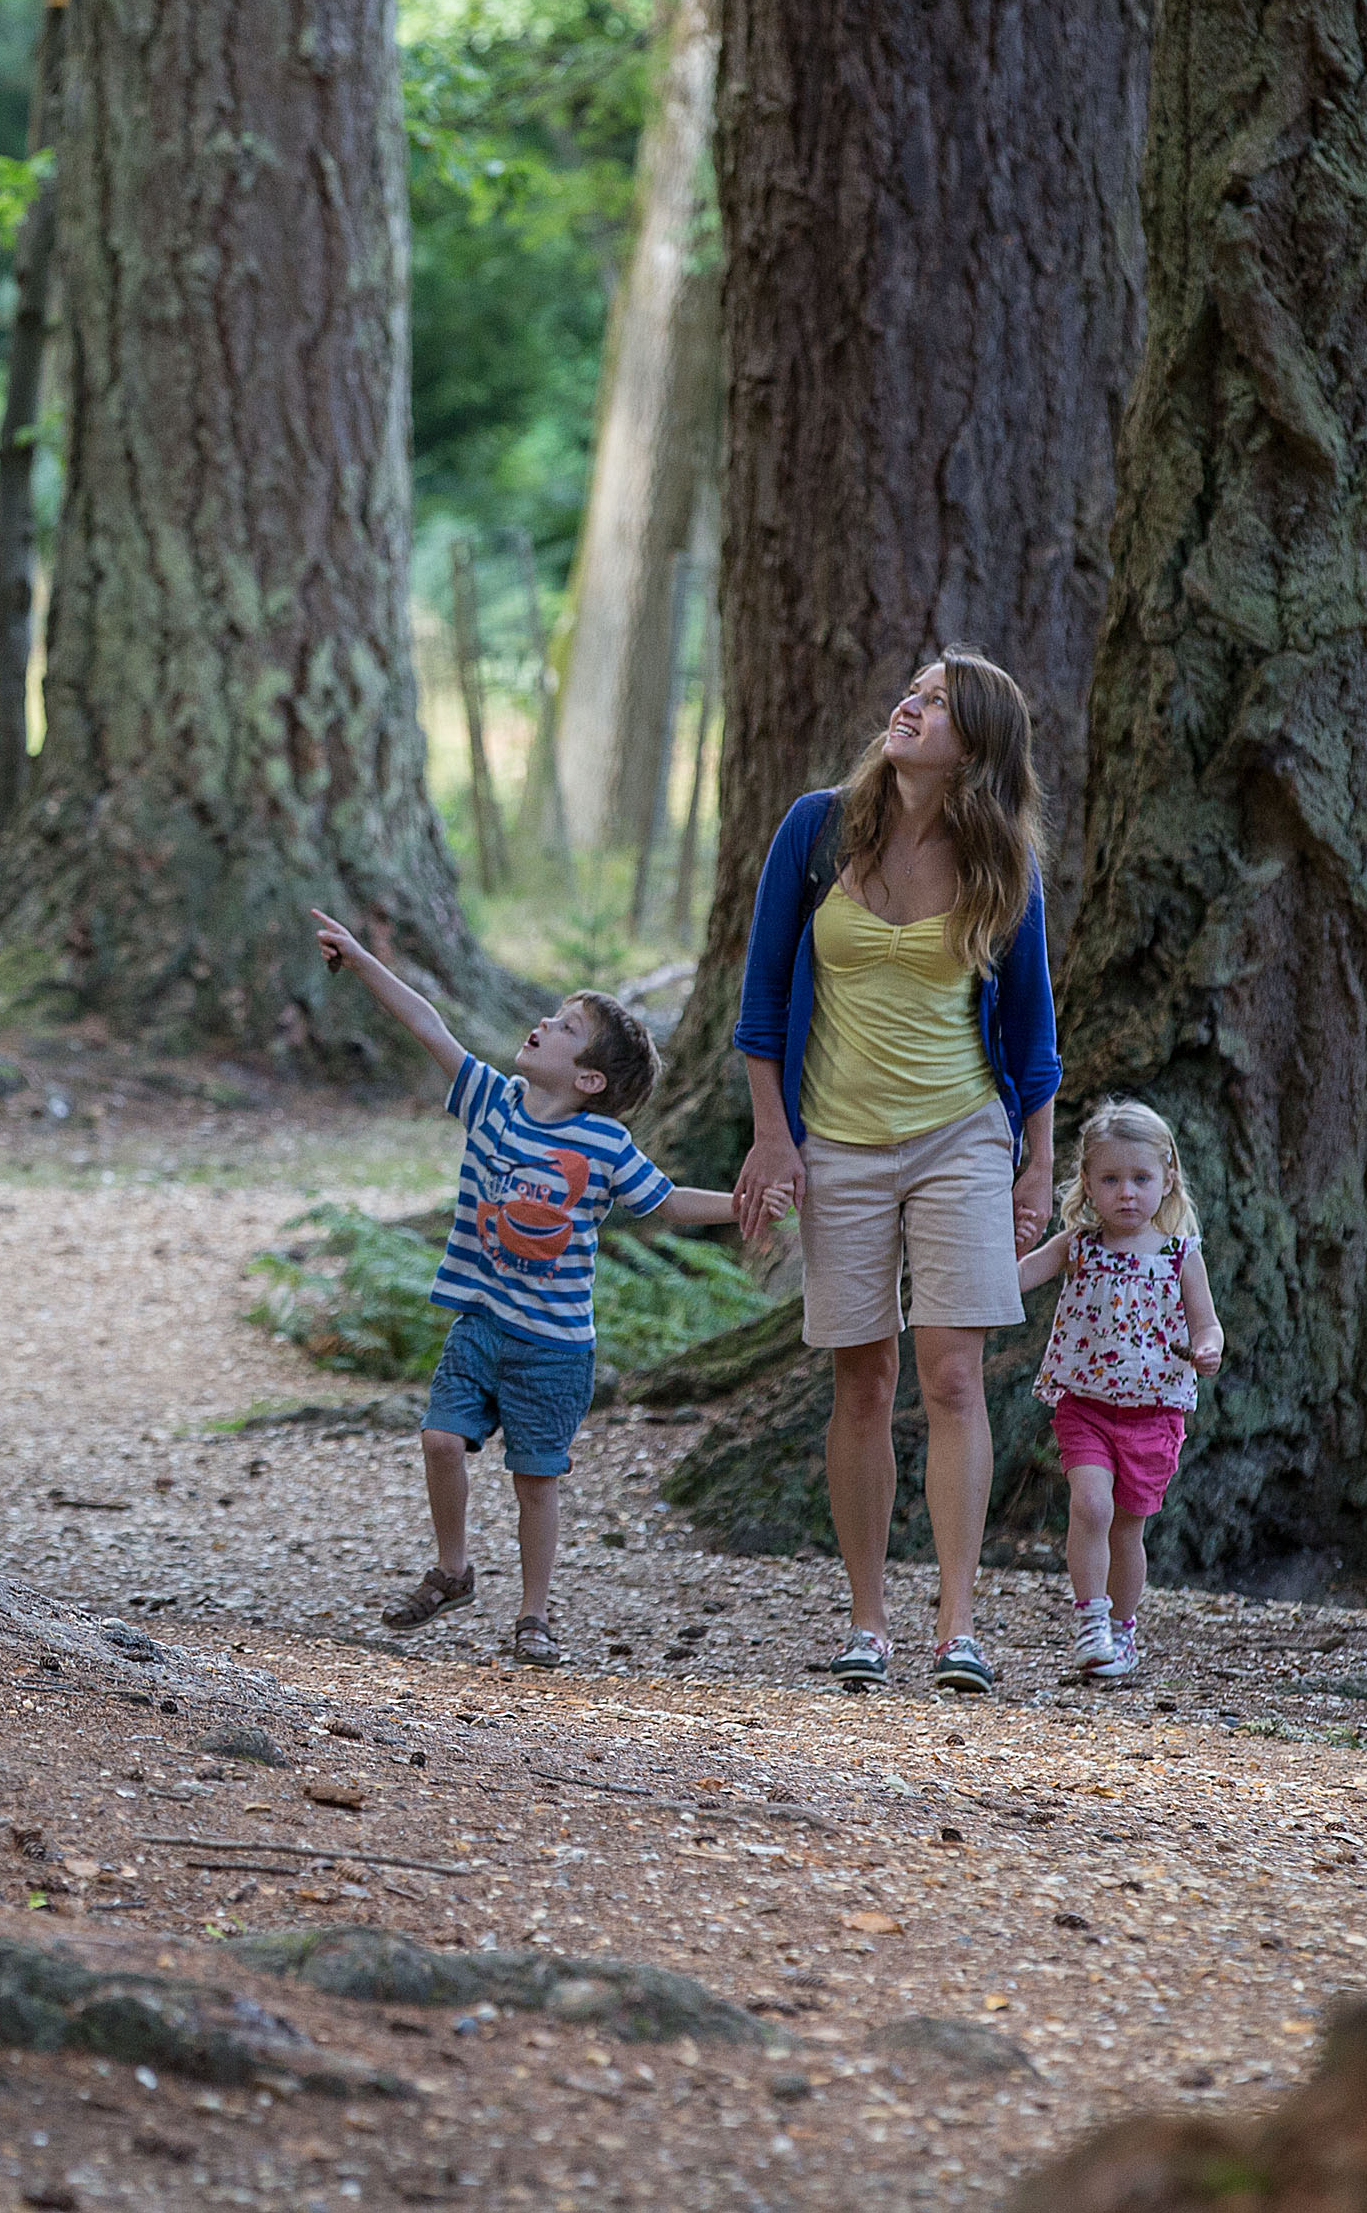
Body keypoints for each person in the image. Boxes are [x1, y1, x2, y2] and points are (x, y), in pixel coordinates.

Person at [730, 652, 1060, 1698]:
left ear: (976, 741)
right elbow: (760, 1009)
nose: (907, 705)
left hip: (961, 1134)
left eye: (935, 700)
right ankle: (867, 1620)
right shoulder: (818, 828)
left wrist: (1036, 1165)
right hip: (835, 1139)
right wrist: (771, 1136)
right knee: (861, 1380)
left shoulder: (1000, 862)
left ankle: (957, 1624)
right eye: (909, 692)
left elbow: (1031, 1032)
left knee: (952, 1375)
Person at [310, 910, 737, 1668]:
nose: (544, 1023)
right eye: (555, 1015)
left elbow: (665, 1202)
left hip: (555, 1347)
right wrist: (363, 961)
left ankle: (534, 1615)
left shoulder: (606, 1143)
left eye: (567, 1027)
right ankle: (453, 1569)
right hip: (481, 1321)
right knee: (441, 1438)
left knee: (535, 1482)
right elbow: (427, 1023)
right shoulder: (491, 1101)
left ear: (589, 1079)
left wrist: (742, 1204)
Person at [1016, 1099, 1223, 1682]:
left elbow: (1206, 1322)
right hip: (1084, 1404)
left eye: (1140, 1179)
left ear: (1167, 1180)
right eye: (1110, 1179)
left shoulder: (1181, 1255)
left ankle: (1124, 1630)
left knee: (1128, 1527)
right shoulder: (1076, 1247)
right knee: (1091, 1505)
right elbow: (1017, 1277)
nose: (1126, 1193)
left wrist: (1209, 1347)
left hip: (1154, 1412)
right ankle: (1090, 1623)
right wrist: (998, 1247)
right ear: (1087, 1183)